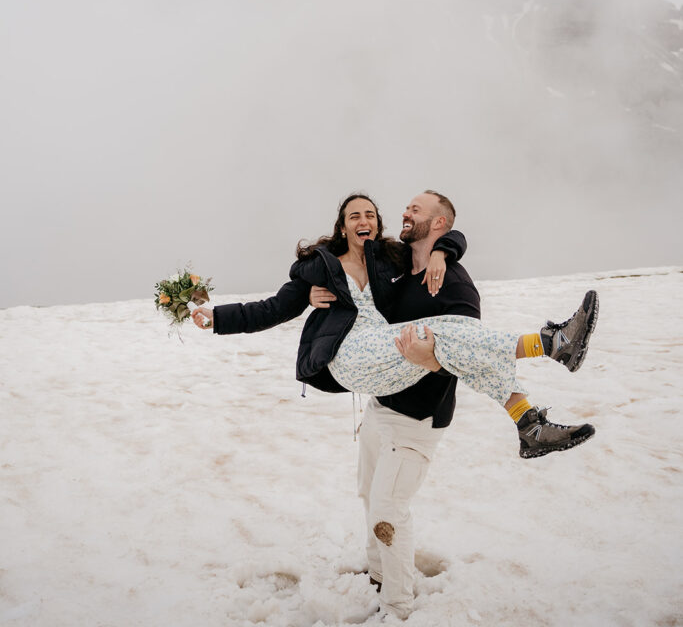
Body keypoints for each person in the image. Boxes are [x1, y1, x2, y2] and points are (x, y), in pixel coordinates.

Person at [192, 192, 599, 619]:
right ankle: (550, 346)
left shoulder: (390, 257)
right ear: (342, 224)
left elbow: (448, 231)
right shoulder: (320, 267)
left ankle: (528, 421)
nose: (363, 220)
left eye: (370, 214)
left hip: (392, 366)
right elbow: (271, 309)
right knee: (446, 332)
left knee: (451, 339)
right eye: (354, 215)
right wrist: (216, 318)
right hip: (349, 356)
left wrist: (442, 251)